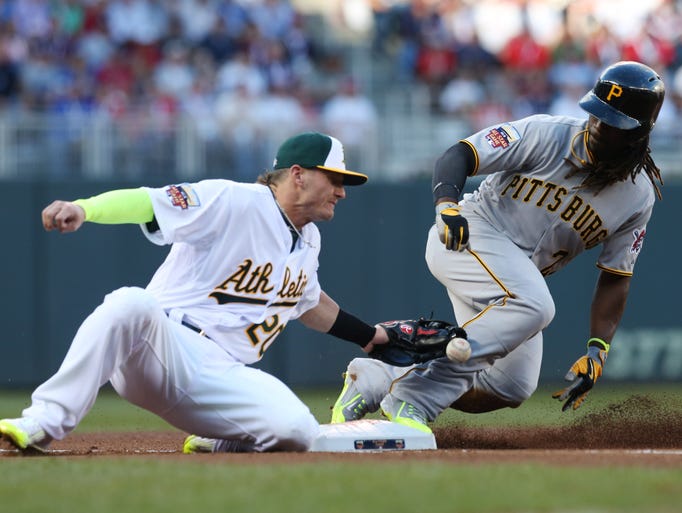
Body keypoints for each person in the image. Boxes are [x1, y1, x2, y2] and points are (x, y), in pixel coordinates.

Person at [330, 61, 666, 433]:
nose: (599, 125)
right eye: (596, 113)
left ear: (639, 134)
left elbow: (616, 277)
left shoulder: (637, 197)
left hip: (514, 281)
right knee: (536, 305)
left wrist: (597, 349)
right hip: (470, 234)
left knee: (510, 385)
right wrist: (446, 206)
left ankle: (377, 376)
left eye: (613, 123)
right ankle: (416, 398)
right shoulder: (546, 134)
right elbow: (460, 154)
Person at [0, 131, 388, 453]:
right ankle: (43, 421)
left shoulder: (310, 240)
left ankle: (220, 440)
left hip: (222, 375)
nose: (342, 192)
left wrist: (372, 338)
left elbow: (309, 304)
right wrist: (85, 208)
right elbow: (147, 201)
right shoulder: (234, 200)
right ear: (299, 175)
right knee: (130, 302)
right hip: (160, 345)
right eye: (335, 180)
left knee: (298, 431)